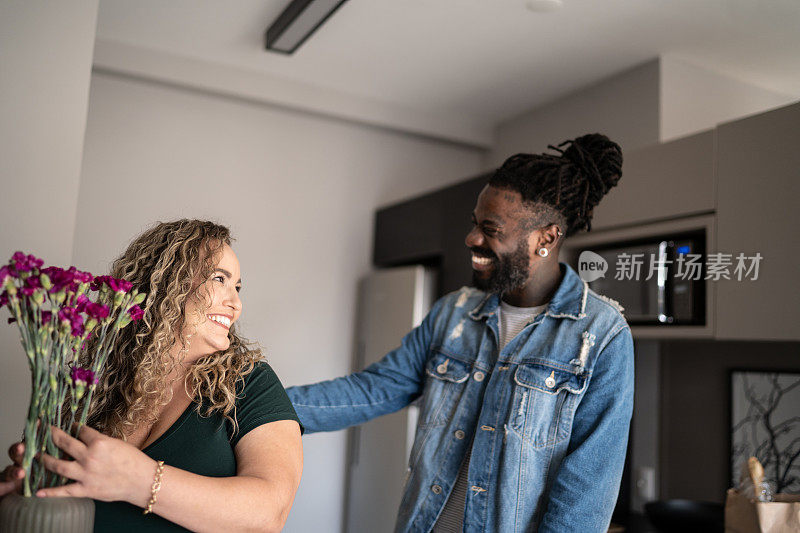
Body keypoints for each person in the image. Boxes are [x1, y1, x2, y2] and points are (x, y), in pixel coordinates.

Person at [286, 133, 634, 532]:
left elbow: (584, 499)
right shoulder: (454, 313)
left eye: (491, 229)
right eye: (474, 224)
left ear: (546, 238)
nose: (472, 239)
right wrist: (256, 408)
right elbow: (373, 388)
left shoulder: (601, 336)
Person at [1, 220, 303, 533]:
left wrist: (138, 479)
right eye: (219, 279)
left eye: (237, 287)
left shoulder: (250, 383)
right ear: (167, 282)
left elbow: (270, 514)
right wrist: (24, 489)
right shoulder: (91, 389)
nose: (236, 304)